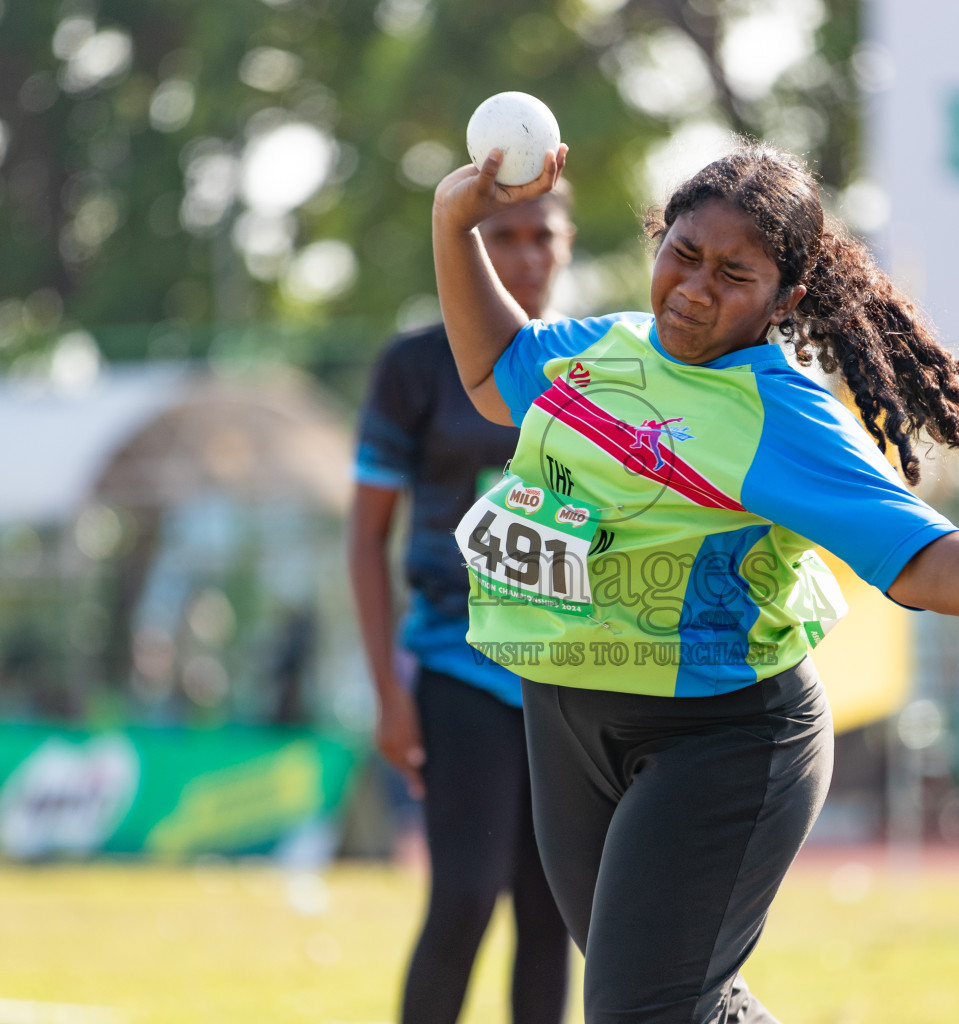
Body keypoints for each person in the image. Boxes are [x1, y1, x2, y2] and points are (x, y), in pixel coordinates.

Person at [432, 142, 959, 1024]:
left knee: (641, 1010)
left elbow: (917, 555)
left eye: (733, 274)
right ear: (658, 240)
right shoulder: (596, 349)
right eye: (685, 254)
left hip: (726, 738)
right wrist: (452, 222)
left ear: (785, 301)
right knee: (680, 1003)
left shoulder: (780, 413)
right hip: (568, 713)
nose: (696, 288)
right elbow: (490, 371)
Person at [348, 185, 575, 1024]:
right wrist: (388, 693)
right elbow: (365, 538)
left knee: (554, 913)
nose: (523, 255)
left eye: (540, 235)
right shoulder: (414, 368)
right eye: (501, 236)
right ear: (467, 249)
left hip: (571, 676)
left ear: (567, 244)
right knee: (467, 895)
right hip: (456, 663)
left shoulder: (597, 365)